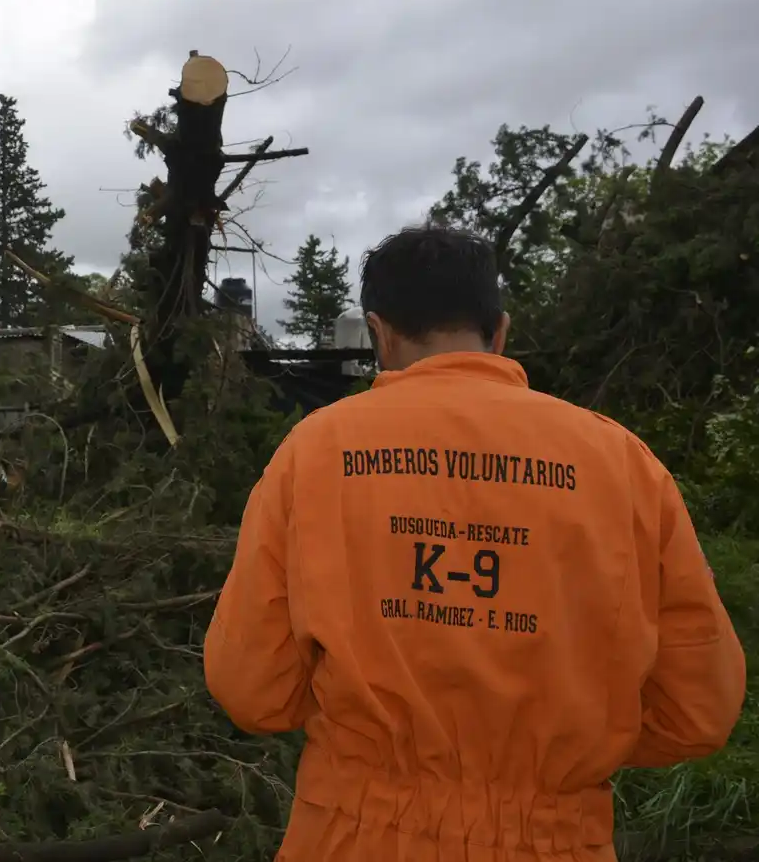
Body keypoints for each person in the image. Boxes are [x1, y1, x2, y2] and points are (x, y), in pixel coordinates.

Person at [204, 224, 746, 862]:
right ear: (500, 331)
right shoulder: (622, 463)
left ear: (378, 333)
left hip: (351, 835)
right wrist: (553, 764)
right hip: (553, 841)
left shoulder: (318, 451)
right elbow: (697, 712)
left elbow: (252, 690)